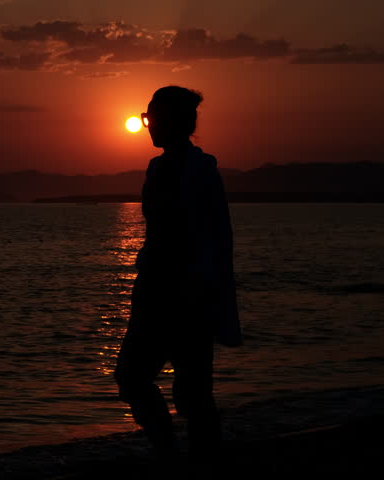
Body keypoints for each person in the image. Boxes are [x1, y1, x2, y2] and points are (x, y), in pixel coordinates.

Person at [113, 86, 242, 460]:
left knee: (169, 384)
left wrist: (197, 290)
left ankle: (179, 455)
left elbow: (204, 236)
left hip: (183, 293)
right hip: (160, 289)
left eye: (153, 118)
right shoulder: (161, 167)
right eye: (145, 118)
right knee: (177, 386)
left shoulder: (198, 171)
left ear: (179, 122)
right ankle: (181, 453)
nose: (148, 125)